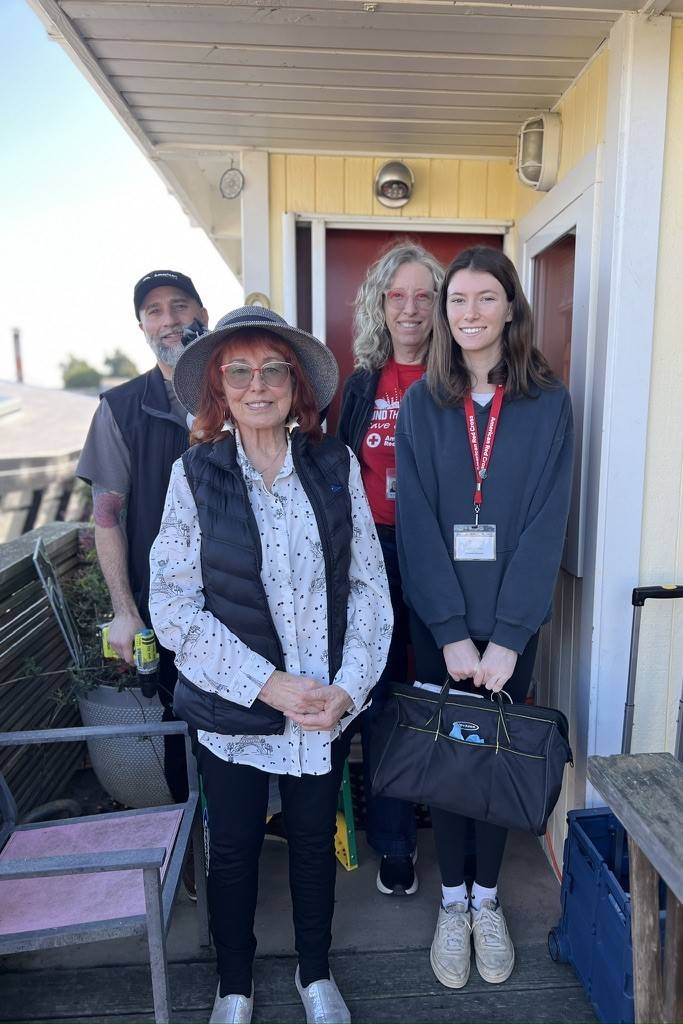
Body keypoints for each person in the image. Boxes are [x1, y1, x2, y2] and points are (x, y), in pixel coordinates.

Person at [149, 306, 392, 1024]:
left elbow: (369, 588)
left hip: (320, 709)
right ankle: (234, 985)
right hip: (235, 711)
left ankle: (315, 975)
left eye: (273, 369)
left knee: (315, 845)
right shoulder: (192, 475)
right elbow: (174, 606)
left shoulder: (333, 464)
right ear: (218, 390)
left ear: (295, 385)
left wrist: (346, 689)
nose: (259, 384)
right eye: (240, 371)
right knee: (233, 851)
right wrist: (266, 684)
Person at [396, 247, 573, 989]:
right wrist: (447, 631)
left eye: (483, 299)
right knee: (447, 765)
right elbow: (417, 523)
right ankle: (450, 903)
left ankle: (488, 902)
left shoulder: (546, 403)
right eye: (456, 300)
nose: (468, 313)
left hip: (508, 630)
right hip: (440, 626)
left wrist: (507, 636)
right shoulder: (420, 405)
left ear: (509, 309)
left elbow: (545, 521)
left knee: (493, 765)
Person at [76, 269, 209, 808]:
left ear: (202, 312)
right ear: (141, 327)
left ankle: (250, 831)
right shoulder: (120, 407)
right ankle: (198, 854)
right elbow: (105, 516)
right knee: (182, 726)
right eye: (154, 311)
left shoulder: (240, 389)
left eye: (180, 306)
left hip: (249, 598)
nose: (169, 320)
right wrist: (125, 611)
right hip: (169, 605)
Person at [337, 242, 443, 897]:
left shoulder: (457, 381)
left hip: (436, 555)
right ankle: (395, 843)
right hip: (371, 557)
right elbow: (337, 472)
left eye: (421, 296)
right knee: (378, 700)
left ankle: (454, 828)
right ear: (381, 304)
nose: (408, 309)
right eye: (395, 296)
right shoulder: (360, 384)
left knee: (433, 695)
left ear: (438, 307)